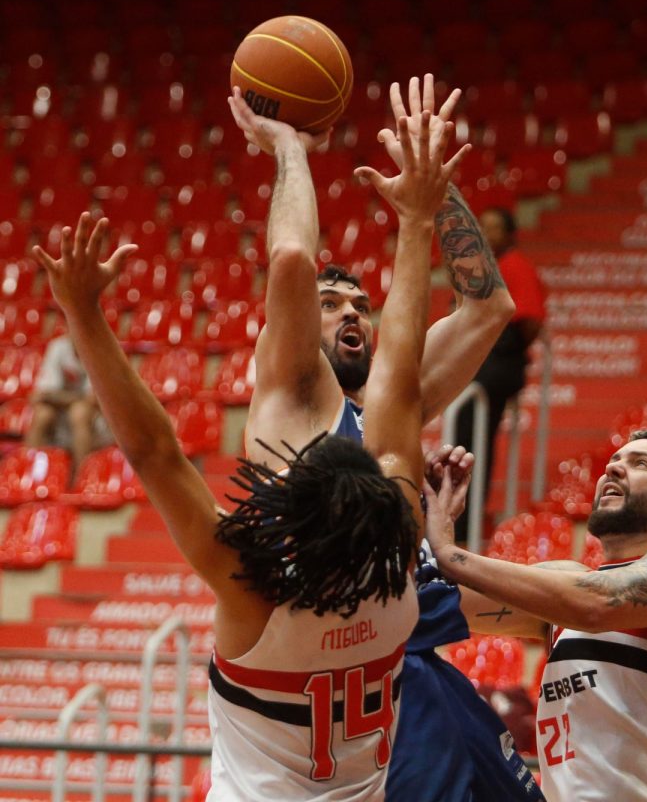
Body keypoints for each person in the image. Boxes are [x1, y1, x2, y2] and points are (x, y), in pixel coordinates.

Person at [31, 104, 457, 801]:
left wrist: (79, 313)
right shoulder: (399, 569)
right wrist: (416, 224)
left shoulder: (260, 594)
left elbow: (155, 452)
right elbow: (400, 380)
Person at [230, 74, 544, 802]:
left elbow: (488, 304)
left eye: (360, 305)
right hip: (355, 677)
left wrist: (432, 190)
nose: (350, 313)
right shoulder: (293, 397)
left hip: (422, 661)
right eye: (330, 303)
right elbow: (291, 260)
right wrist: (289, 149)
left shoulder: (390, 402)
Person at [424, 427, 647, 802]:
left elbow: (596, 605)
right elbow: (428, 604)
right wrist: (421, 514)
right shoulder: (562, 590)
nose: (613, 469)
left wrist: (449, 553)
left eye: (640, 463)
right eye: (614, 461)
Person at [454, 205, 546, 541]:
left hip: (499, 364)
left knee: (471, 442)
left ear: (509, 234)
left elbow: (531, 320)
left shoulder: (514, 265)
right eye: (483, 226)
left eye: (494, 227)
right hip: (481, 362)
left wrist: (510, 350)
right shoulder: (484, 268)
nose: (486, 233)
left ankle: (464, 524)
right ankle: (461, 520)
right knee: (467, 440)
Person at [25, 333, 109, 475]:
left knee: (79, 413)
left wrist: (57, 398)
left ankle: (80, 476)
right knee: (42, 414)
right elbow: (41, 395)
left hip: (97, 422)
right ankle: (29, 473)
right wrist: (71, 398)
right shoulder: (58, 347)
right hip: (62, 415)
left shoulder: (100, 348)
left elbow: (93, 399)